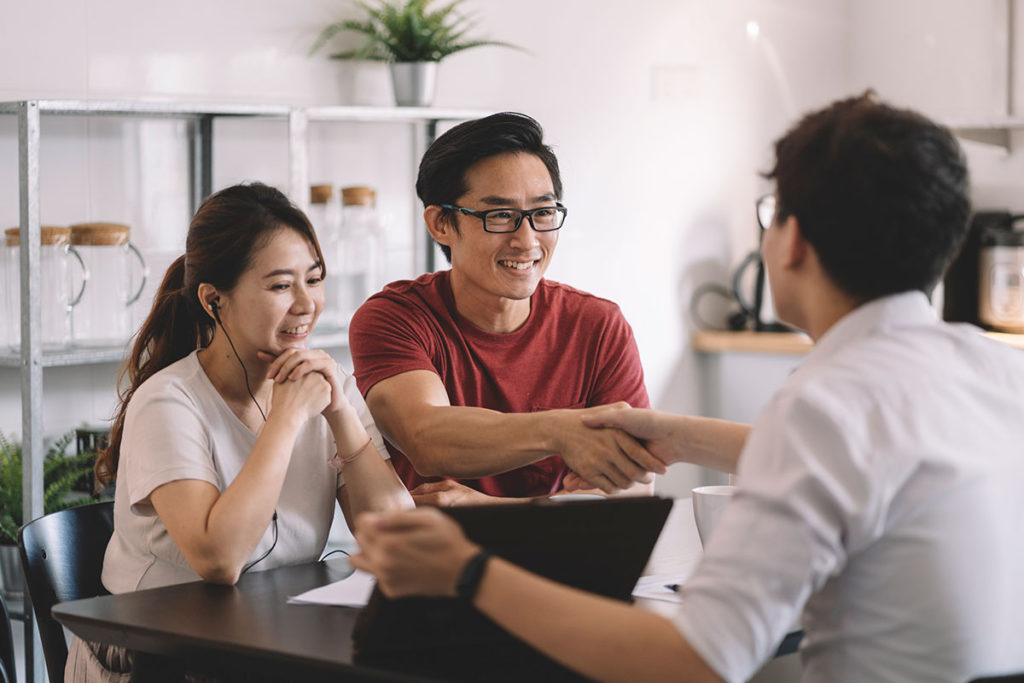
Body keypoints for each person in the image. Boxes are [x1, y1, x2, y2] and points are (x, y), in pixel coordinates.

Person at [349, 93, 1024, 682]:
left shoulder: (827, 404)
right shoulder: (998, 370)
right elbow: (863, 454)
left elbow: (694, 662)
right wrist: (673, 435)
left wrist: (467, 571)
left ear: (791, 242)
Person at [70, 183, 412, 680]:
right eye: (279, 286)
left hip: (266, 642)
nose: (306, 304)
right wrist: (288, 419)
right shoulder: (168, 402)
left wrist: (340, 417)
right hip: (157, 659)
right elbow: (219, 559)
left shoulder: (326, 385)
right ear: (214, 300)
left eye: (313, 280)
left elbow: (397, 536)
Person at [348, 112, 665, 505]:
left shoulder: (597, 325)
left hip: (560, 563)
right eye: (500, 215)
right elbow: (428, 438)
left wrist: (490, 509)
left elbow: (631, 489)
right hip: (433, 563)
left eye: (543, 213)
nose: (527, 240)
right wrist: (562, 430)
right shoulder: (395, 318)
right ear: (441, 224)